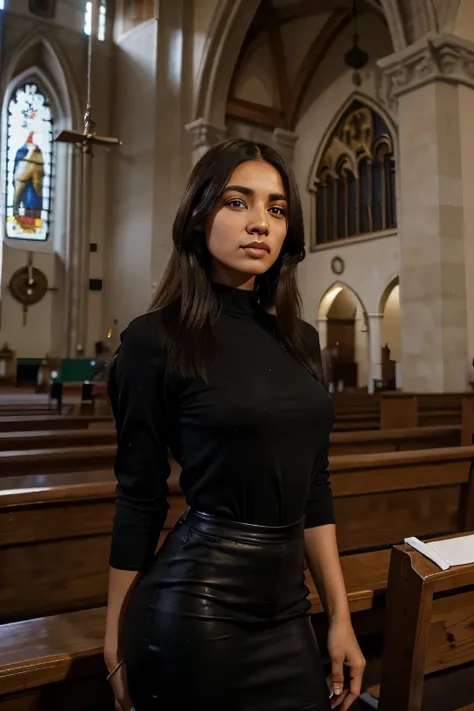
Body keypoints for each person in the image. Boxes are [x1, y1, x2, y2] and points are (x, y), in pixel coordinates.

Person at [104, 139, 365, 711]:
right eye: (238, 202)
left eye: (275, 209)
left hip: (287, 607)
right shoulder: (155, 341)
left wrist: (339, 617)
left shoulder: (302, 341)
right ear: (199, 217)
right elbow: (139, 496)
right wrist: (114, 633)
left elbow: (314, 489)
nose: (260, 223)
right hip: (196, 611)